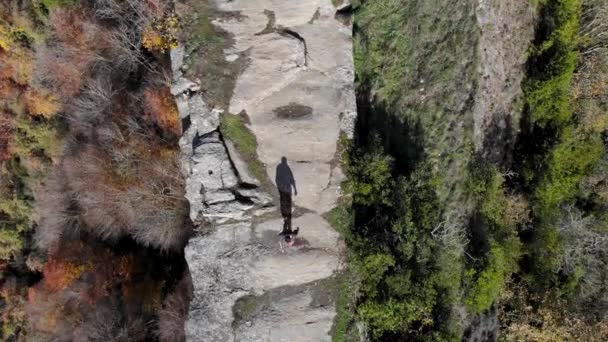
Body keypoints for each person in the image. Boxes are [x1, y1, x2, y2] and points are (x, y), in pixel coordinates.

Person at [275, 157, 297, 234]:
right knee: (285, 202)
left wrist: (295, 189)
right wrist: (295, 189)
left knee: (284, 202)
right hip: (285, 189)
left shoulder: (280, 167)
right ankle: (286, 217)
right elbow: (291, 179)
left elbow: (291, 178)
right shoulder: (284, 168)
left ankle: (286, 217)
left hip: (284, 189)